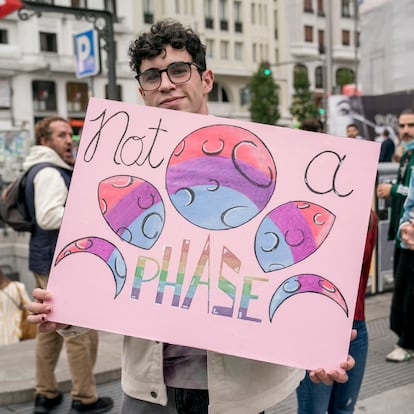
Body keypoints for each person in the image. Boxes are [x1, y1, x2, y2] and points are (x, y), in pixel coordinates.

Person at [27, 20, 355, 414]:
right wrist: (62, 311)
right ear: (141, 91)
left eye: (179, 70)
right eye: (152, 76)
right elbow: (113, 264)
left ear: (207, 78)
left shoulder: (266, 159)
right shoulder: (119, 165)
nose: (166, 83)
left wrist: (318, 343)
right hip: (149, 391)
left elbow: (292, 264)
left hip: (241, 395)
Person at [24, 117, 113, 414]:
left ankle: (45, 393)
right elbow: (48, 216)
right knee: (80, 331)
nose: (69, 140)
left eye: (70, 134)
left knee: (50, 329)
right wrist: (88, 211)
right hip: (58, 262)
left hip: (43, 257)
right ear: (45, 141)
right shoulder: (49, 172)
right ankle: (84, 398)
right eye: (61, 135)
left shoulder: (40, 169)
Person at [296, 210, 378, 413]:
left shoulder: (368, 217)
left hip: (356, 327)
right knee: (314, 410)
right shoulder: (307, 212)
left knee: (344, 409)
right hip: (315, 326)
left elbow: (362, 272)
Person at [376, 109, 414, 362]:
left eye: (411, 125)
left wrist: (393, 189)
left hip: (409, 234)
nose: (405, 130)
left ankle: (407, 341)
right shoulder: (406, 155)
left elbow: (406, 193)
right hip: (405, 233)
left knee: (409, 290)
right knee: (402, 288)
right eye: (401, 125)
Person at [0, 269, 32, 345]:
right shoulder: (18, 287)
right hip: (16, 332)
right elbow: (29, 308)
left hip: (14, 333)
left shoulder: (18, 287)